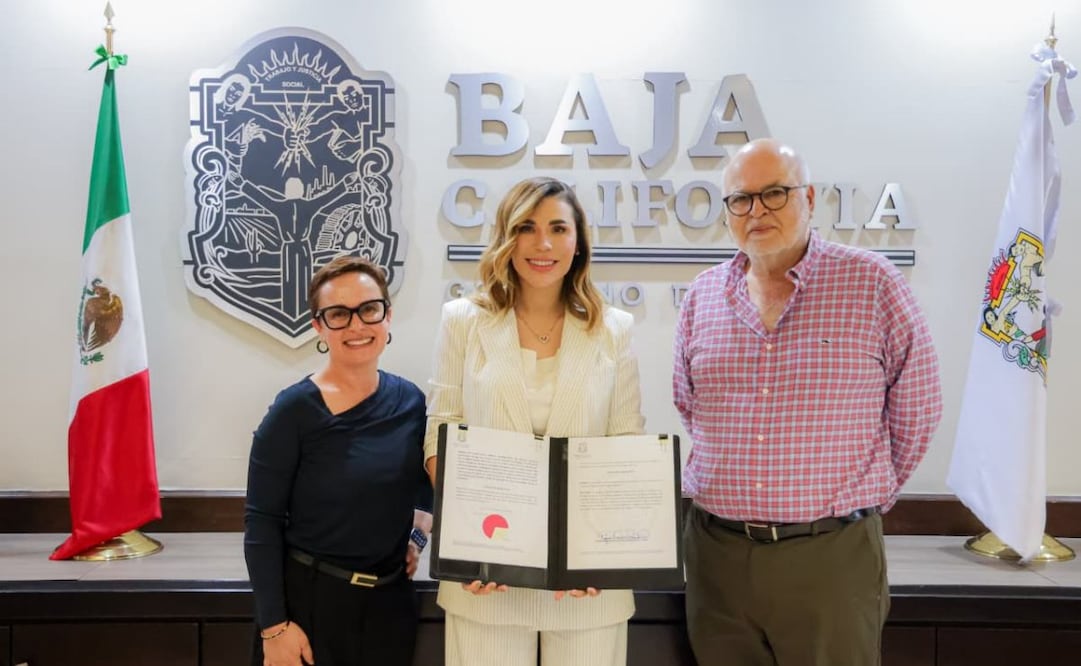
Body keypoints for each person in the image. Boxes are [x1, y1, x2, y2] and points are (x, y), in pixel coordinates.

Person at [673, 139, 943, 666]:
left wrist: (860, 495)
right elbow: (690, 405)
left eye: (774, 193)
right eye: (741, 199)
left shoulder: (872, 283)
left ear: (809, 197)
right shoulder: (703, 295)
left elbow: (918, 409)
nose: (757, 211)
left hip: (830, 557)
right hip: (716, 556)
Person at [425, 176, 646, 666]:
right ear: (507, 236)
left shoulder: (615, 330)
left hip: (588, 585)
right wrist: (469, 536)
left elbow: (625, 445)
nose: (542, 243)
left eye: (558, 228)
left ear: (578, 241)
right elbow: (442, 431)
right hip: (487, 575)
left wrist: (601, 554)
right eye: (526, 227)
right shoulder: (462, 320)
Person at [244, 255, 431, 666]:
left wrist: (416, 538)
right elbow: (262, 522)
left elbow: (427, 485)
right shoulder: (293, 411)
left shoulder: (411, 402)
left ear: (387, 316)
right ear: (319, 326)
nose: (356, 325)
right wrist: (274, 627)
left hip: (390, 608)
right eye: (338, 314)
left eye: (368, 309)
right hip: (310, 609)